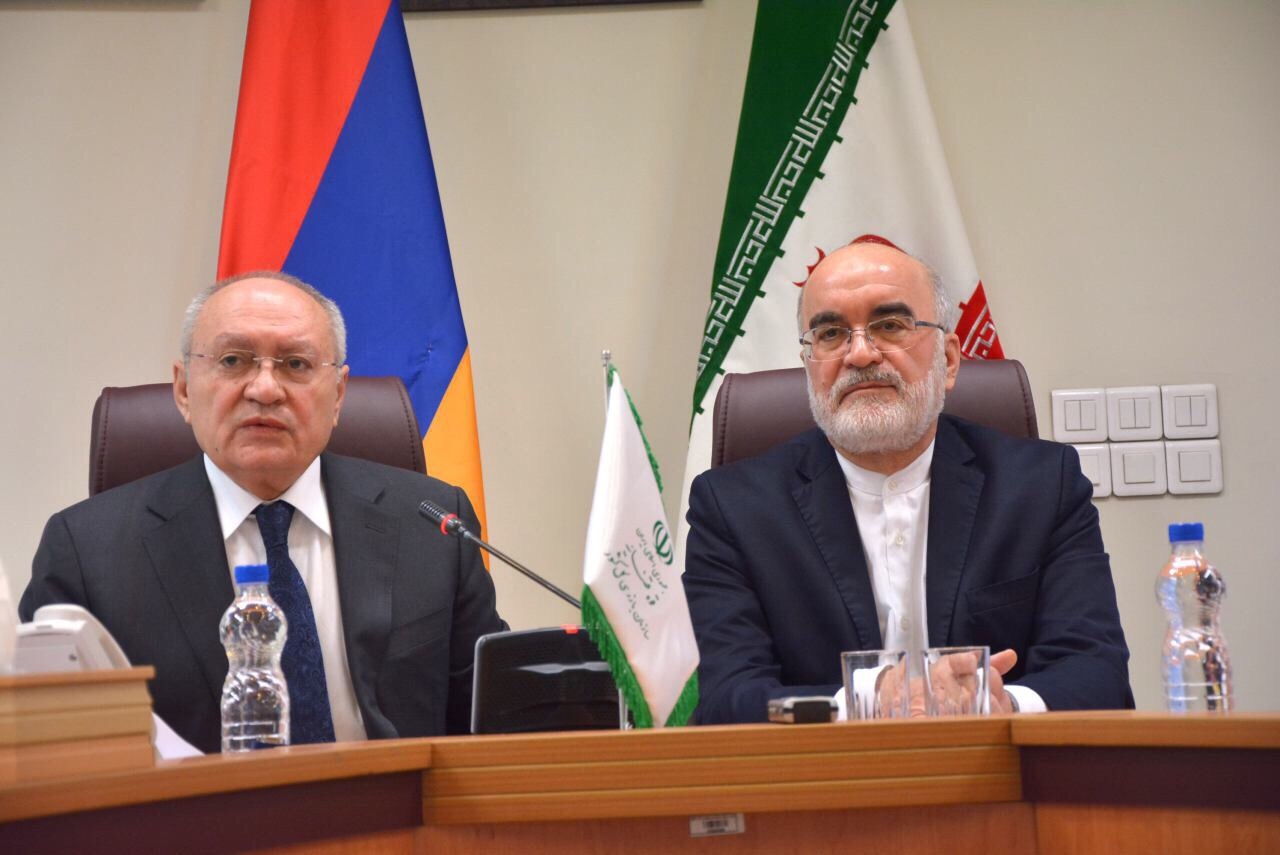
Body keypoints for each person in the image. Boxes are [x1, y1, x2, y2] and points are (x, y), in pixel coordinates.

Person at [20, 271, 506, 752]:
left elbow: (492, 721)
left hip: (396, 801)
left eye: (296, 364)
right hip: (196, 805)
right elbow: (40, 745)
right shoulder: (87, 552)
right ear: (184, 390)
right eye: (233, 360)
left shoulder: (433, 526)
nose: (266, 389)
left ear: (338, 395)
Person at [682, 240, 1132, 723]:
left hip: (997, 764)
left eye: (890, 325)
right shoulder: (732, 509)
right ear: (809, 365)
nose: (859, 354)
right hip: (821, 770)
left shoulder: (1042, 486)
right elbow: (725, 698)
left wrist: (1003, 702)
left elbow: (1098, 673)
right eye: (830, 333)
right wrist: (870, 696)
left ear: (949, 361)